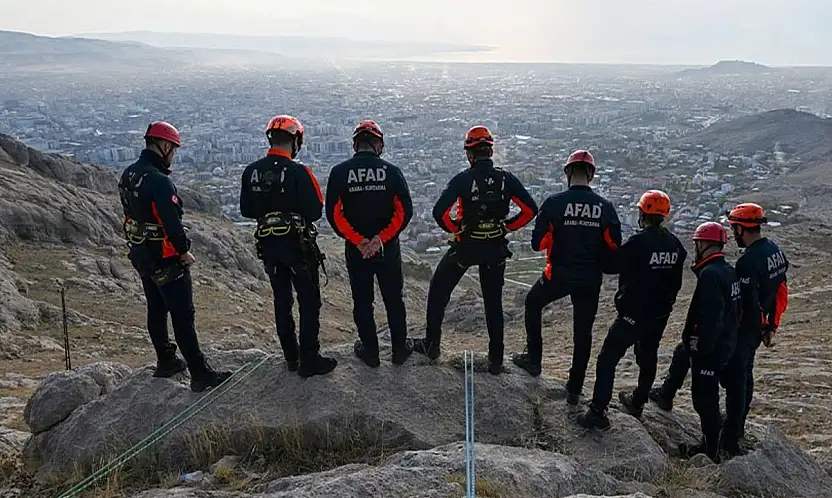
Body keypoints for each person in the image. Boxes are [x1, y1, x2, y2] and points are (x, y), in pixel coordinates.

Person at [411, 126, 538, 374]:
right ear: (490, 151)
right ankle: (496, 359)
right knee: (493, 303)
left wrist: (457, 229)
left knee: (439, 290)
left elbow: (439, 212)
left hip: (466, 246)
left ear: (469, 154)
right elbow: (530, 210)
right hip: (495, 249)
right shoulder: (506, 179)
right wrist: (507, 227)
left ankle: (432, 345)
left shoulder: (462, 180)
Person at [119, 121, 231, 393]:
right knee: (183, 316)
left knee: (156, 309)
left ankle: (166, 360)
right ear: (165, 145)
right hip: (166, 257)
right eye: (173, 150)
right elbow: (172, 224)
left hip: (142, 255)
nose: (173, 155)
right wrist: (184, 251)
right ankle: (200, 373)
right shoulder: (159, 181)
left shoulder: (129, 174)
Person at [512, 150, 621, 405]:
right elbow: (615, 244)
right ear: (591, 175)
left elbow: (537, 244)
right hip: (590, 279)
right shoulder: (605, 207)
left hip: (558, 274)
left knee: (533, 303)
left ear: (568, 173)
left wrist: (558, 236)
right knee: (582, 333)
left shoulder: (554, 203)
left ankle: (534, 359)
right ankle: (574, 387)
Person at [578, 190, 687, 430]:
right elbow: (676, 281)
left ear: (642, 213)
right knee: (647, 357)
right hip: (659, 315)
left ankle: (598, 411)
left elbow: (612, 265)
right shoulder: (675, 245)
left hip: (634, 314)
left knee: (608, 358)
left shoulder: (640, 241)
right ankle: (637, 402)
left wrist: (599, 246)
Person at [240, 115, 336, 378]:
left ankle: (291, 357)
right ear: (296, 141)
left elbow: (246, 209)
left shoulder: (252, 171)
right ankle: (309, 359)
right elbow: (315, 210)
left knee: (282, 300)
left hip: (269, 245)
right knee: (308, 301)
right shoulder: (299, 172)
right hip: (297, 246)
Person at [325, 120, 414, 367]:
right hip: (387, 249)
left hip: (357, 251)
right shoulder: (392, 171)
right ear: (379, 144)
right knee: (394, 299)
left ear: (355, 144)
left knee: (362, 302)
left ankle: (371, 352)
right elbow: (404, 211)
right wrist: (380, 240)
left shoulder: (340, 172)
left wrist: (360, 241)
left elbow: (334, 214)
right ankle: (399, 350)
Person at [720, 203, 789, 455]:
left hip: (747, 330)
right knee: (745, 377)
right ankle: (736, 428)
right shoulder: (775, 252)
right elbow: (781, 290)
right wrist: (772, 325)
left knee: (737, 380)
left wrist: (761, 324)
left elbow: (749, 303)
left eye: (733, 229)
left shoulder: (747, 262)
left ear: (740, 228)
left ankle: (730, 438)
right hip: (758, 330)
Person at [677, 221, 741, 462]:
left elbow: (710, 315)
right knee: (707, 396)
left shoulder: (711, 275)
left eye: (697, 243)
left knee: (704, 399)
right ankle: (711, 442)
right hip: (726, 344)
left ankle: (710, 450)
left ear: (704, 244)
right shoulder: (727, 270)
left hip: (711, 349)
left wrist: (701, 345)